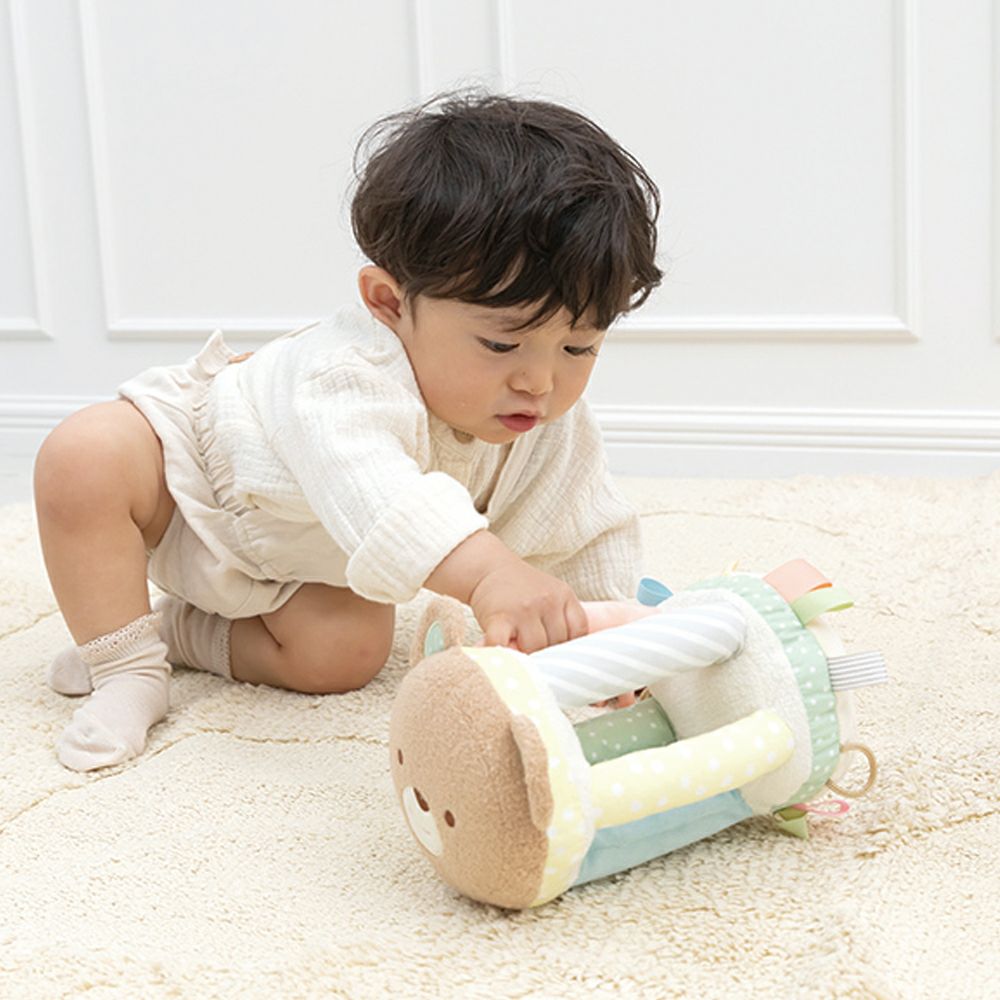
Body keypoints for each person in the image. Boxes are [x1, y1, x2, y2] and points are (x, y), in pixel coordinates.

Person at [33, 90, 664, 772]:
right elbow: (379, 492)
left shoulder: (542, 419)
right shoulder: (345, 372)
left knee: (344, 655)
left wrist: (614, 635)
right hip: (188, 491)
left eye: (578, 347)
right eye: (501, 344)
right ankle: (126, 666)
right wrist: (491, 574)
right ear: (388, 303)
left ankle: (178, 634)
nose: (539, 382)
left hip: (301, 555)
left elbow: (581, 524)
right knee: (85, 456)